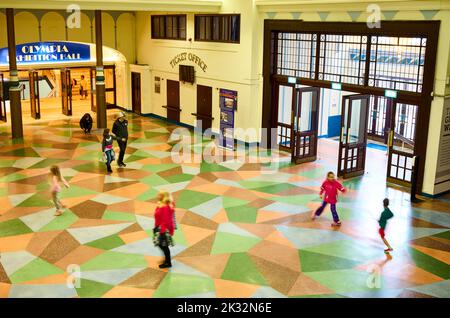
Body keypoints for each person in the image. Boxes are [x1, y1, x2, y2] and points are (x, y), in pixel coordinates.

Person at [153, 192, 176, 269]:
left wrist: (162, 230)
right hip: (159, 228)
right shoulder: (161, 205)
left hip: (162, 230)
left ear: (164, 197)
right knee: (162, 245)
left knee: (164, 246)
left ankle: (168, 262)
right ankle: (167, 260)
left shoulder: (165, 207)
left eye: (160, 195)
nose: (158, 195)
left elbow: (167, 221)